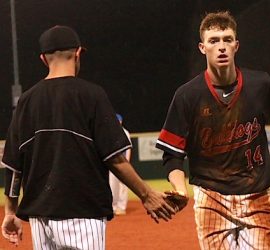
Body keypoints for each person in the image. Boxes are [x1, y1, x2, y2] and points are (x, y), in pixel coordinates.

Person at [155, 11, 270, 249]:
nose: (221, 46)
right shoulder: (187, 96)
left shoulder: (260, 84)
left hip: (256, 196)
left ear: (236, 45)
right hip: (211, 198)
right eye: (213, 40)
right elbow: (172, 153)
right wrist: (180, 189)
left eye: (227, 39)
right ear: (202, 48)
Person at [1, 25, 174, 249]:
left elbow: (14, 166)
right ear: (78, 53)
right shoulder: (92, 95)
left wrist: (11, 212)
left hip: (40, 217)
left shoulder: (26, 101)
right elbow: (115, 158)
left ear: (43, 58)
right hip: (84, 213)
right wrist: (146, 194)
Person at [109, 114, 131, 215]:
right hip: (113, 162)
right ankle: (113, 206)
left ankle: (121, 207)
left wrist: (127, 162)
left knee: (123, 185)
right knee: (112, 185)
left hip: (123, 162)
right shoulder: (110, 132)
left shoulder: (125, 132)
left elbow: (128, 149)